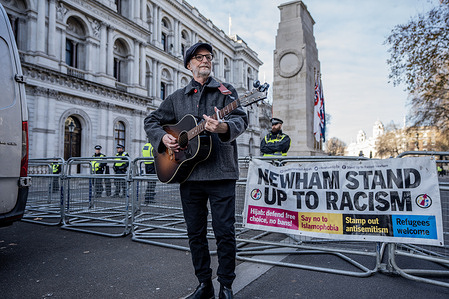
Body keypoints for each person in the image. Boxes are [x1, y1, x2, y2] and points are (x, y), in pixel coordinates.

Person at [144, 42, 248, 299]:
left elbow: (241, 119)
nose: (205, 60)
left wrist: (222, 127)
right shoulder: (177, 97)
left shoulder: (226, 91)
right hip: (188, 175)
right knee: (195, 233)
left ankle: (225, 285)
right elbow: (151, 121)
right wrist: (163, 138)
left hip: (221, 173)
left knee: (225, 232)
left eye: (208, 57)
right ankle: (204, 285)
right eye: (199, 57)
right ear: (189, 63)